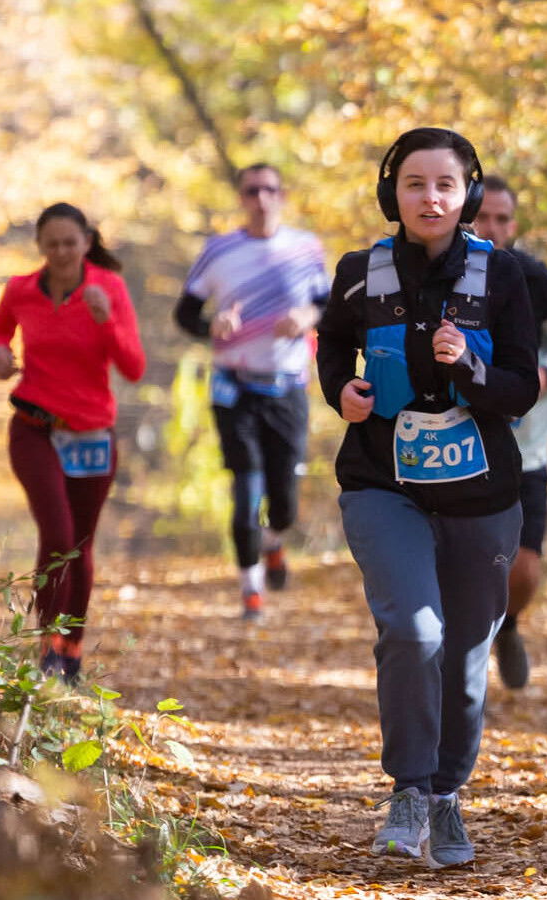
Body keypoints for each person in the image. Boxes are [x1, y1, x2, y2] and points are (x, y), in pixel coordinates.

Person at [316, 128, 538, 867]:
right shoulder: (358, 273)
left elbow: (520, 388)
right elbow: (329, 348)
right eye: (415, 184)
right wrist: (339, 392)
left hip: (482, 496)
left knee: (466, 650)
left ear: (467, 193)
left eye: (446, 184)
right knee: (415, 632)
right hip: (384, 485)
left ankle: (446, 798)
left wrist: (470, 366)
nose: (430, 198)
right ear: (393, 194)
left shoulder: (503, 277)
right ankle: (407, 790)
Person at [0, 203, 147, 686]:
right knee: (56, 535)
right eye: (51, 244)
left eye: (69, 243)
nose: (60, 252)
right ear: (40, 245)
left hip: (92, 432)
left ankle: (70, 650)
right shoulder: (21, 288)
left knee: (78, 545)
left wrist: (106, 321)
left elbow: (134, 367)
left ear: (86, 242)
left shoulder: (108, 289)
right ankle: (48, 648)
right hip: (34, 426)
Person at [174, 163, 328, 619]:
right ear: (240, 198)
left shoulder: (305, 248)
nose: (260, 198)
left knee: (283, 500)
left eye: (269, 189)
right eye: (251, 190)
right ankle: (251, 593)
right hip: (233, 386)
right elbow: (185, 314)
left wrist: (306, 318)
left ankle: (274, 542)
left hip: (286, 388)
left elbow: (327, 302)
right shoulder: (218, 250)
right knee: (246, 491)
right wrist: (212, 326)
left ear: (282, 195)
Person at [471, 175, 547, 690]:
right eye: (483, 217)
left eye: (502, 219)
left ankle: (508, 626)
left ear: (514, 225)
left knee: (523, 573)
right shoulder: (438, 273)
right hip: (456, 448)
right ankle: (457, 653)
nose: (492, 228)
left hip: (525, 449)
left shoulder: (530, 276)